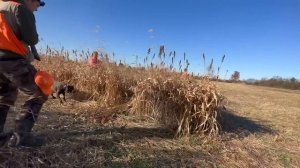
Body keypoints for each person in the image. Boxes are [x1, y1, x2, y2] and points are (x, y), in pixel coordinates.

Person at [0, 0, 51, 147]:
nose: (37, 9)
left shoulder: (2, 5)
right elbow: (32, 38)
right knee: (40, 91)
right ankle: (22, 136)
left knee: (3, 97)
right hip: (12, 60)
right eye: (37, 4)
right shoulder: (20, 8)